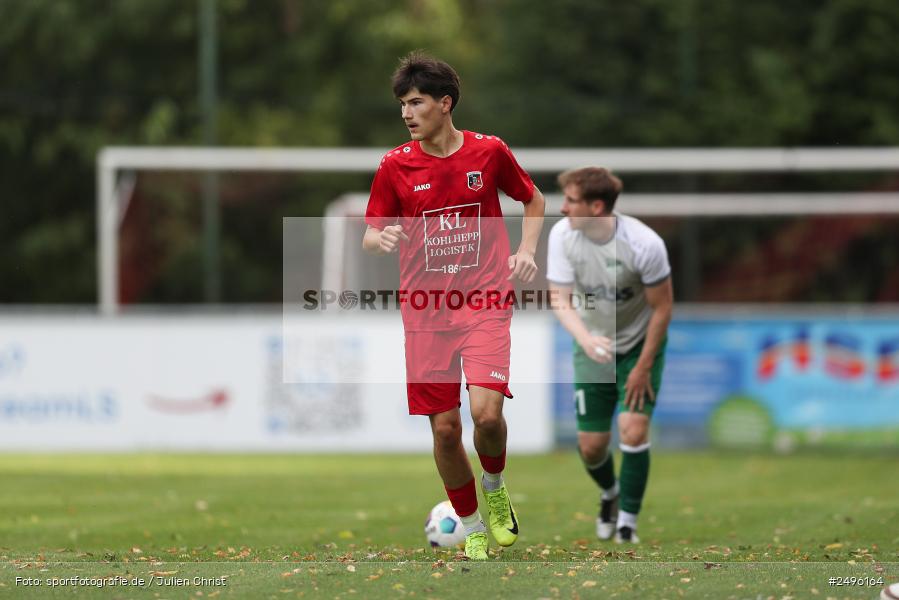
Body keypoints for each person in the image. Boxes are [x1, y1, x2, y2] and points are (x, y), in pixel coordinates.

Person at [362, 52, 545, 560]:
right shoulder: (395, 166)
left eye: (415, 102)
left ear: (445, 104)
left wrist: (526, 250)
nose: (406, 113)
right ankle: (469, 524)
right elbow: (370, 236)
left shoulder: (489, 152)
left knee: (487, 417)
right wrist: (384, 238)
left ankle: (495, 487)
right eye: (402, 104)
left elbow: (532, 198)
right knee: (445, 429)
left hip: (485, 300)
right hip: (425, 312)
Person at [547, 167, 672, 544]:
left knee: (633, 430)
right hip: (593, 346)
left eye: (571, 200)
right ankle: (610, 493)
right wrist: (585, 340)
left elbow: (663, 308)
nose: (563, 208)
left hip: (639, 347)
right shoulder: (562, 236)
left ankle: (627, 523)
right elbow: (559, 298)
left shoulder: (644, 244)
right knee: (591, 446)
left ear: (596, 206)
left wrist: (643, 366)